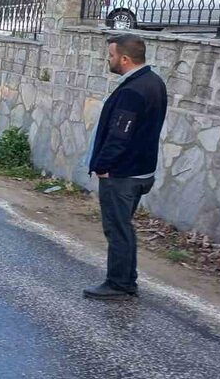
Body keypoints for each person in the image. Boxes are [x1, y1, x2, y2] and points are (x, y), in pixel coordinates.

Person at [83, 34, 167, 301]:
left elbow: (120, 135)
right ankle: (126, 280)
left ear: (125, 59)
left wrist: (103, 166)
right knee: (124, 227)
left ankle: (119, 284)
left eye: (111, 55)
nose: (108, 60)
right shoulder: (153, 82)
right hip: (141, 169)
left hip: (123, 174)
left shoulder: (133, 90)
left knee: (118, 228)